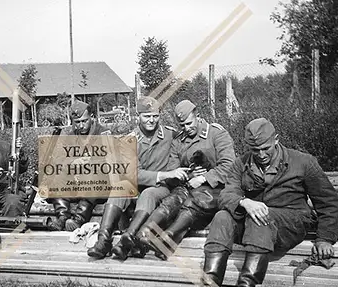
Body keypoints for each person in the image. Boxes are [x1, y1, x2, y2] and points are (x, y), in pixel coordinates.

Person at [190, 118, 338, 287]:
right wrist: (244, 202)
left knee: (260, 216)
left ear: (276, 139)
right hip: (256, 225)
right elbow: (227, 194)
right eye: (255, 150)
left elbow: (328, 202)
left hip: (291, 223)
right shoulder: (241, 163)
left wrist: (324, 238)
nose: (261, 154)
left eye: (265, 148)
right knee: (222, 217)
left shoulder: (303, 162)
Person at [124, 99, 236, 261]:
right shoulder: (179, 141)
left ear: (197, 116)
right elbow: (172, 169)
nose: (186, 128)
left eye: (189, 123)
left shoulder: (216, 134)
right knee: (172, 199)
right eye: (182, 126)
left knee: (196, 200)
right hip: (190, 186)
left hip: (217, 188)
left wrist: (204, 177)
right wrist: (190, 175)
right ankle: (145, 233)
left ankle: (167, 237)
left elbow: (229, 165)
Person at [87, 96, 184, 259]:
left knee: (149, 193)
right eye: (147, 116)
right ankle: (104, 240)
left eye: (155, 116)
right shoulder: (129, 140)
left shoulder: (170, 134)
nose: (151, 120)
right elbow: (133, 174)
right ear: (137, 116)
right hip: (139, 185)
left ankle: (127, 240)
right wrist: (164, 174)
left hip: (162, 188)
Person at [47, 100, 111, 232]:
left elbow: (108, 162)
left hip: (100, 184)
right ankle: (62, 217)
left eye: (84, 121)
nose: (81, 125)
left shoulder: (103, 133)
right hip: (76, 184)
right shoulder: (71, 136)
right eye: (77, 122)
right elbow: (59, 160)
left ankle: (79, 219)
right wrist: (72, 163)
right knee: (57, 177)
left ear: (92, 118)